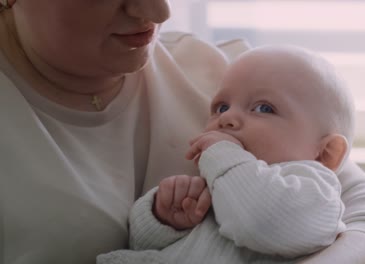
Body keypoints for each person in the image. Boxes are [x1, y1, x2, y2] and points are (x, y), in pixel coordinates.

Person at [0, 0, 365, 264]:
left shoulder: (231, 76)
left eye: (261, 109)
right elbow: (145, 240)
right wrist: (162, 216)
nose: (159, 12)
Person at [97, 45, 352, 263]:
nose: (227, 117)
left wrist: (223, 155)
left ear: (325, 153)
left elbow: (262, 221)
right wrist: (163, 218)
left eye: (263, 108)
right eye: (221, 106)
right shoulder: (215, 182)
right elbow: (140, 243)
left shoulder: (315, 191)